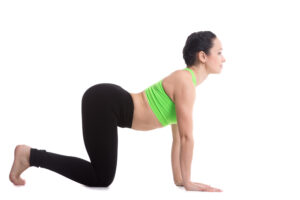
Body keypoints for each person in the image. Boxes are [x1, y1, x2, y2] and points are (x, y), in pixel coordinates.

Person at [9, 31, 226, 192]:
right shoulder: (185, 83)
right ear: (202, 56)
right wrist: (189, 183)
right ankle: (29, 155)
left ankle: (29, 156)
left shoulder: (186, 84)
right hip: (105, 103)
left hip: (107, 102)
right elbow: (188, 138)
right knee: (101, 177)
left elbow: (179, 138)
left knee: (101, 175)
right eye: (219, 52)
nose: (223, 58)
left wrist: (180, 179)